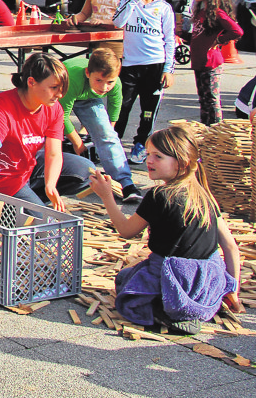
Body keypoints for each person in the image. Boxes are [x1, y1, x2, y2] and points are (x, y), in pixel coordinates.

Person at [89, 125, 243, 334]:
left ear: (182, 163)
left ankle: (163, 310)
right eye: (149, 154)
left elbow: (126, 231)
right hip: (206, 284)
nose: (148, 160)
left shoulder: (159, 195)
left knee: (126, 280)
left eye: (158, 156)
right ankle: (194, 308)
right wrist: (231, 289)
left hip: (173, 279)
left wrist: (106, 196)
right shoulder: (204, 194)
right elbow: (231, 247)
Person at [0, 53, 94, 212]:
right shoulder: (2, 107)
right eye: (54, 88)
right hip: (2, 178)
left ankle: (31, 198)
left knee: (86, 170)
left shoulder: (53, 108)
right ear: (31, 82)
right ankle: (3, 206)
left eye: (62, 88)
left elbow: (54, 153)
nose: (60, 95)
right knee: (45, 227)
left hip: (26, 166)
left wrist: (50, 185)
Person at [112, 0, 176, 165]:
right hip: (130, 65)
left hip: (155, 66)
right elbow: (117, 22)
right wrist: (134, 0)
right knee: (122, 106)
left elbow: (169, 40)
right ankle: (114, 143)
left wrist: (168, 69)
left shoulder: (164, 8)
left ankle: (141, 143)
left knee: (148, 110)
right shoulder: (127, 0)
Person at [58, 49, 141, 203]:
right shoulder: (74, 78)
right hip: (62, 91)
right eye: (99, 80)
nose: (104, 88)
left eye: (110, 82)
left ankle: (125, 184)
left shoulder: (113, 83)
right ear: (88, 73)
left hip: (88, 95)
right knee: (48, 133)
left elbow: (115, 108)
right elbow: (61, 117)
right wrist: (77, 143)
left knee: (107, 134)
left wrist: (107, 135)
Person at [182, 0, 242, 126]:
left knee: (212, 101)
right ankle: (207, 130)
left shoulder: (217, 13)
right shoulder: (202, 12)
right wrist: (181, 34)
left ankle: (216, 130)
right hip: (199, 63)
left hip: (211, 64)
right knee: (203, 100)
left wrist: (219, 40)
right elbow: (198, 37)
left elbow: (237, 31)